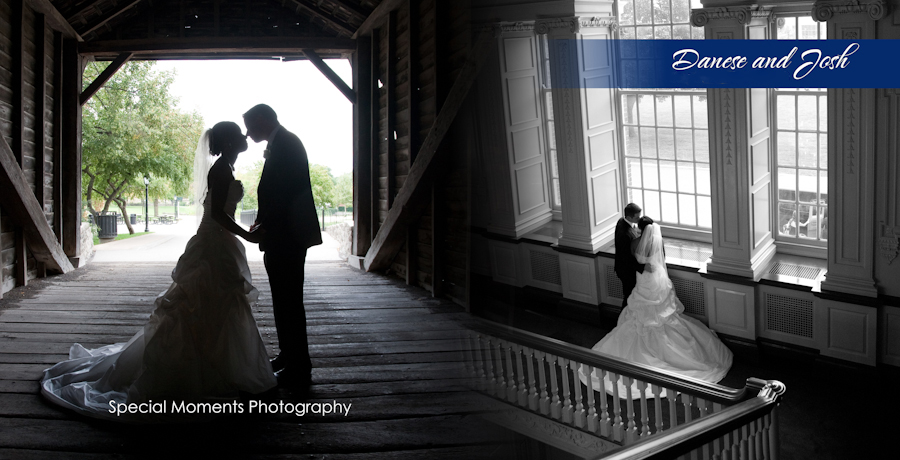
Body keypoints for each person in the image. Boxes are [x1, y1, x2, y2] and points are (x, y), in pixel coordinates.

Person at [40, 122, 276, 421]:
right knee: (206, 302)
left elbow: (222, 211)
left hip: (219, 242)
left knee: (219, 305)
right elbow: (217, 214)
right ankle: (211, 370)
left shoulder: (225, 167)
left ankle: (221, 368)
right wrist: (247, 235)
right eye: (237, 134)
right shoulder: (220, 169)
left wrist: (244, 230)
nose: (245, 136)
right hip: (212, 244)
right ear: (228, 142)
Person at [581, 217, 733, 398]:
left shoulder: (635, 243)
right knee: (664, 315)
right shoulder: (658, 241)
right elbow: (662, 260)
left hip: (642, 279)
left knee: (641, 315)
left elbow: (633, 262)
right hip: (656, 279)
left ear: (641, 229)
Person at [243, 104, 322, 389]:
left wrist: (266, 225)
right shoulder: (282, 143)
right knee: (283, 300)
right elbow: (275, 192)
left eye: (249, 126)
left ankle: (299, 366)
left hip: (287, 237)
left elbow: (286, 196)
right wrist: (261, 221)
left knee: (289, 302)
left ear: (262, 119)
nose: (247, 132)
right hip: (282, 235)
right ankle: (289, 356)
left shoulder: (287, 144)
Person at [615, 203, 648, 308]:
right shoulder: (625, 234)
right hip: (626, 270)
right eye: (637, 217)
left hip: (627, 268)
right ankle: (623, 320)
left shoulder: (622, 221)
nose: (639, 219)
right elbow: (626, 258)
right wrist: (643, 268)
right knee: (629, 296)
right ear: (629, 217)